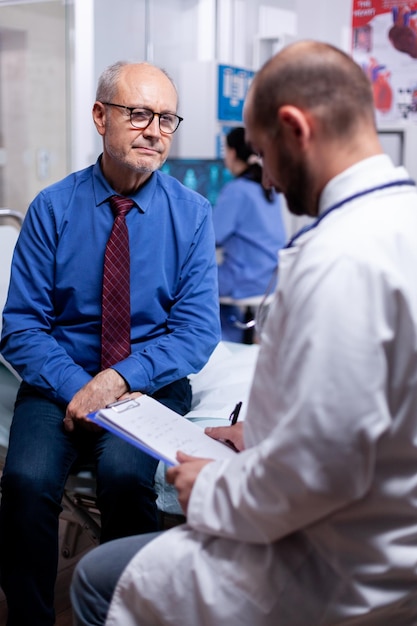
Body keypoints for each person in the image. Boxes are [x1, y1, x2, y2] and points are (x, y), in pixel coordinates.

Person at [71, 40, 417, 625]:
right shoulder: (398, 221)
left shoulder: (337, 261)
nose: (271, 180)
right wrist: (260, 429)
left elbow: (318, 471)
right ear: (102, 118)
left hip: (338, 568)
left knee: (97, 580)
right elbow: (359, 408)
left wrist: (207, 487)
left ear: (293, 128)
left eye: (263, 153)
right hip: (391, 543)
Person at [0, 60, 220, 626]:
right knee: (24, 482)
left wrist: (118, 378)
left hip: (147, 384)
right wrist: (80, 386)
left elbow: (197, 330)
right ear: (101, 117)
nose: (155, 131)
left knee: (126, 477)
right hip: (61, 382)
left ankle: (131, 614)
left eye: (167, 119)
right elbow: (21, 326)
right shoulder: (52, 209)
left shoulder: (191, 215)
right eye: (139, 114)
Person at [213, 126, 286, 343]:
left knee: (187, 282)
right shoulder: (268, 188)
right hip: (269, 280)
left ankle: (221, 344)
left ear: (233, 153)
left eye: (226, 150)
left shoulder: (237, 191)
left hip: (245, 280)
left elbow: (212, 236)